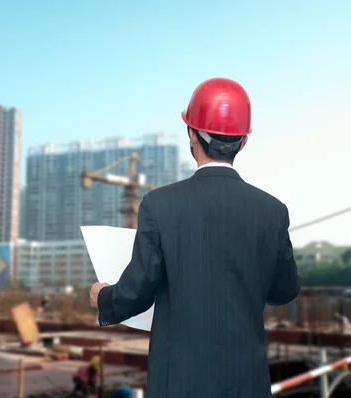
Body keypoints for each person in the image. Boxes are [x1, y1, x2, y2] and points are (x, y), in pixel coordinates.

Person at [89, 77, 300, 398]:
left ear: (191, 134)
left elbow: (137, 293)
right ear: (243, 141)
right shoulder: (273, 211)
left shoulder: (160, 205)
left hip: (180, 385)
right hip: (248, 384)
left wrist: (104, 298)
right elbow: (284, 290)